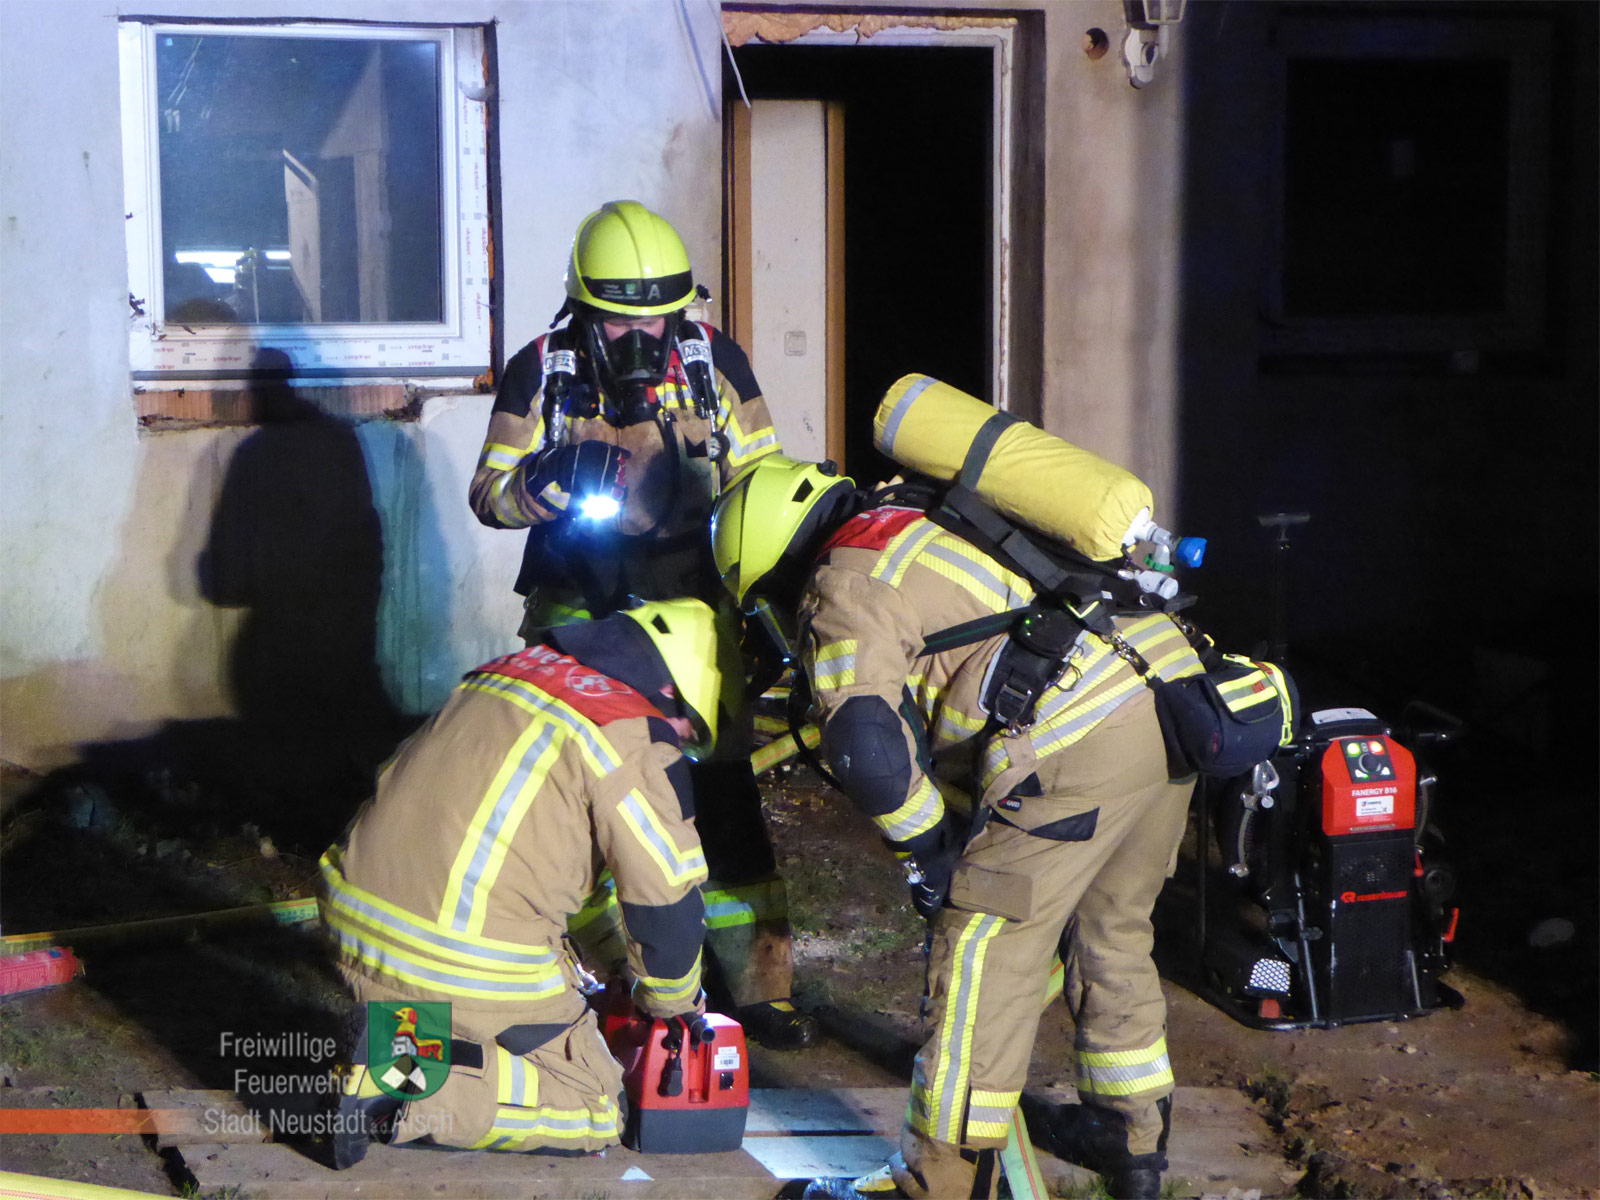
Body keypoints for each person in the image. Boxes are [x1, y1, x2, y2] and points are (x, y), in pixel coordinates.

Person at [710, 455, 1211, 1200]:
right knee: (1111, 926)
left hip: (1080, 730)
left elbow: (865, 742)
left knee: (981, 946)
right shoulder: (914, 518)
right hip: (1169, 692)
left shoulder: (843, 578)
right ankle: (1129, 1137)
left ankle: (940, 1177)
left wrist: (929, 849)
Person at [467, 200, 815, 1051]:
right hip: (578, 606)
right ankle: (612, 976)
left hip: (695, 608)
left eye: (658, 321)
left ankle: (760, 985)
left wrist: (763, 605)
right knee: (580, 794)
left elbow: (762, 485)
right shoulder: (540, 370)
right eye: (621, 325)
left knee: (720, 791)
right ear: (584, 310)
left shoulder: (714, 363)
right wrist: (544, 481)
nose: (641, 340)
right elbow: (489, 494)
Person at [317, 599, 721, 1168]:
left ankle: (395, 1039)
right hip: (457, 951)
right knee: (593, 1103)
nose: (679, 742)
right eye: (689, 730)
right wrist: (674, 1005)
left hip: (354, 914)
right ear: (671, 692)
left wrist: (614, 970)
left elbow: (550, 868)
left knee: (480, 1016)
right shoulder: (631, 737)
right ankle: (394, 1089)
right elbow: (666, 907)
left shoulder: (510, 673)